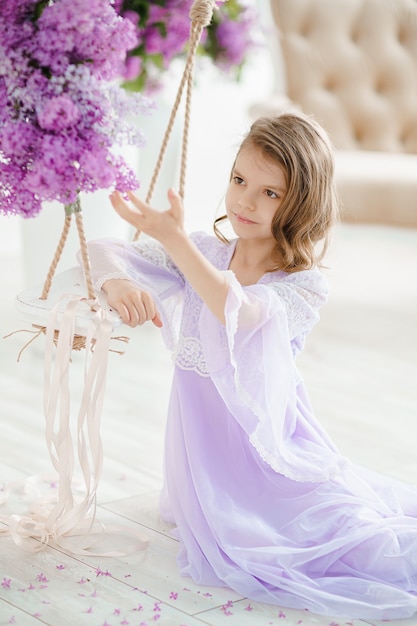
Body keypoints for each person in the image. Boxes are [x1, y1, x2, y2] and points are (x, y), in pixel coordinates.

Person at [85, 112, 417, 620]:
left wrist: (174, 243)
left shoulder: (299, 286)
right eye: (240, 180)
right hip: (205, 463)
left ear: (301, 203)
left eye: (270, 192)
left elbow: (237, 310)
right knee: (247, 535)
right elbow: (103, 249)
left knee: (357, 542)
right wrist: (121, 284)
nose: (245, 200)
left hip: (269, 456)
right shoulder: (204, 251)